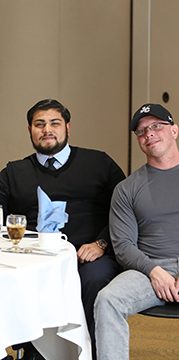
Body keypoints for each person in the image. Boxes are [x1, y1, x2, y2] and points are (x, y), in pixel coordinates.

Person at [0, 99, 125, 360]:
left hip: (90, 256)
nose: (47, 130)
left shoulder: (99, 162)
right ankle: (35, 351)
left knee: (94, 280)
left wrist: (101, 244)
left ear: (67, 127)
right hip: (35, 258)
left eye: (54, 123)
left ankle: (90, 353)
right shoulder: (14, 172)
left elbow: (126, 210)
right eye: (39, 124)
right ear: (29, 129)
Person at [94, 103, 179, 360]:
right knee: (108, 299)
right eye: (141, 131)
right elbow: (123, 246)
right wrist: (155, 272)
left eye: (156, 126)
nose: (148, 134)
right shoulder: (127, 189)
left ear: (174, 130)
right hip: (148, 268)